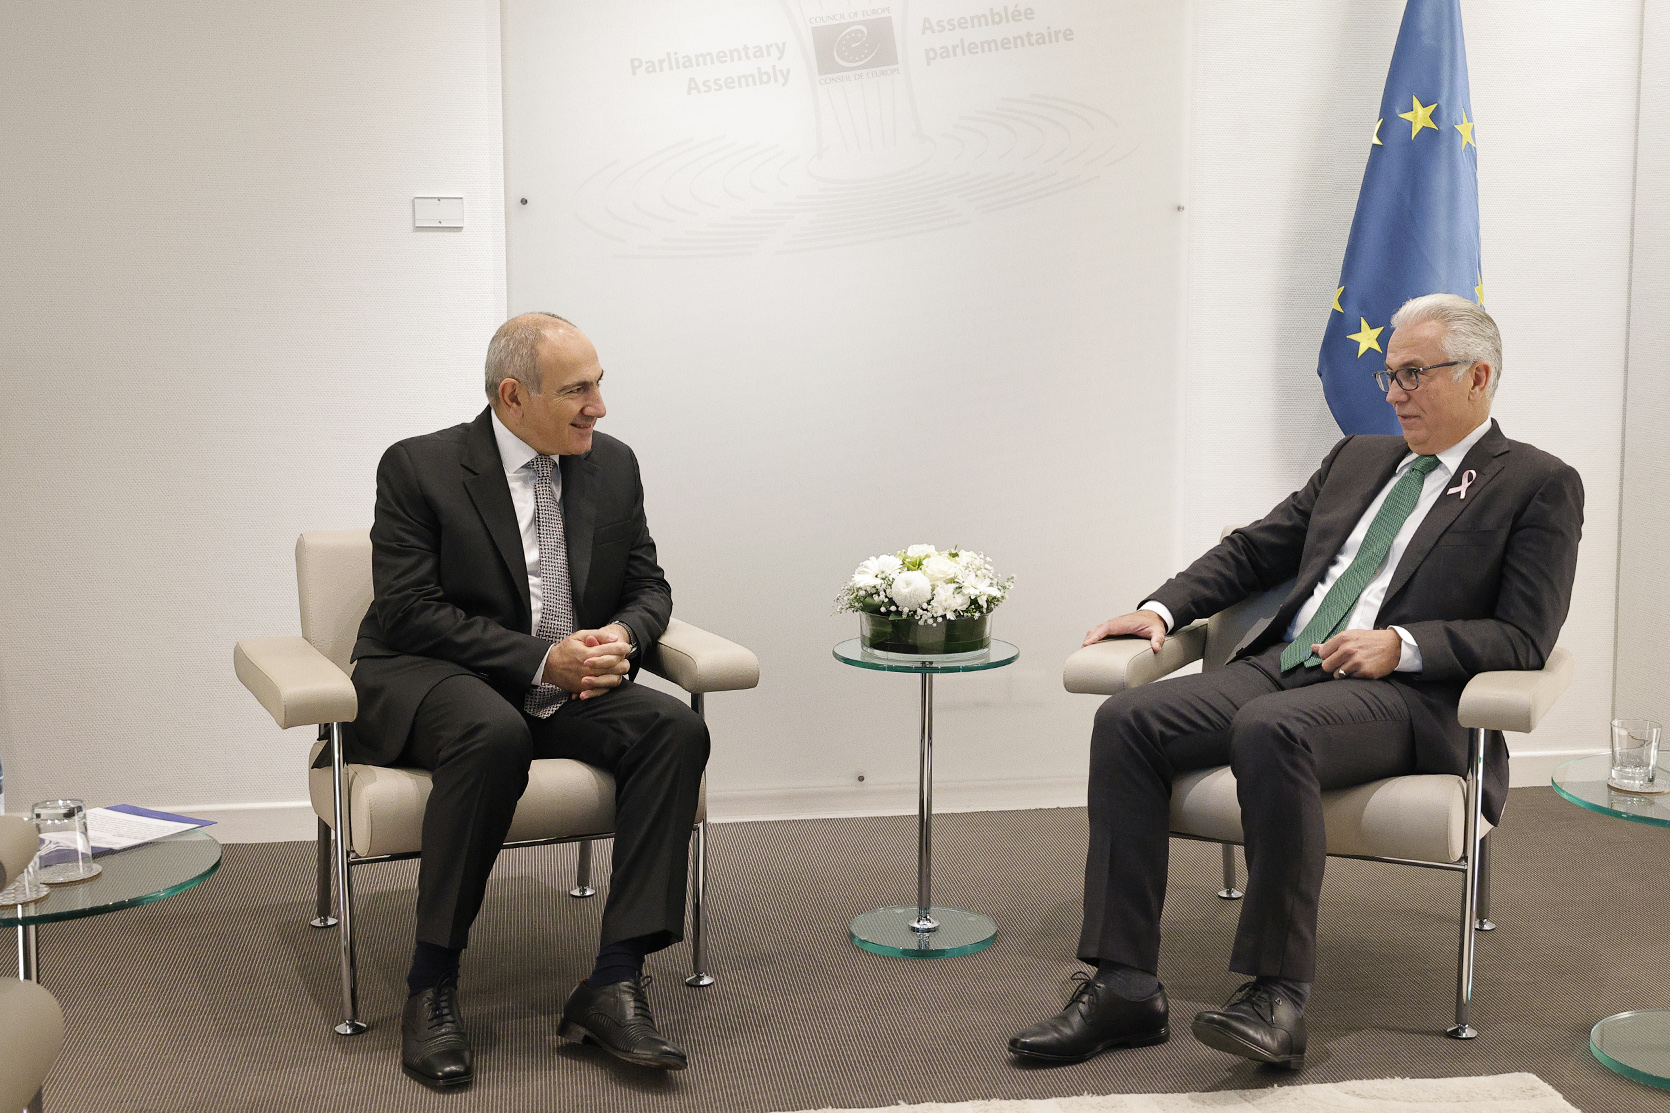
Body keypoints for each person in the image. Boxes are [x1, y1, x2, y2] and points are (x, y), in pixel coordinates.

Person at [1009, 293, 1583, 1069]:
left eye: (1414, 374)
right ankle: (1125, 986)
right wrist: (1159, 608)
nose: (1395, 393)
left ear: (1479, 376)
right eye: (1389, 375)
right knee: (1128, 719)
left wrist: (1402, 644)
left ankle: (1276, 996)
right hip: (1287, 663)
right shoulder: (1358, 459)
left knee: (1272, 730)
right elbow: (1254, 550)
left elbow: (1524, 634)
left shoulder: (1537, 483)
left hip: (1406, 697)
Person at [346, 313, 709, 1088]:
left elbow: (649, 584)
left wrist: (622, 635)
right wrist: (543, 657)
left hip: (564, 681)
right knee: (493, 732)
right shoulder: (419, 466)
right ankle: (431, 983)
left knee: (673, 728)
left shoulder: (612, 464)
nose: (598, 406)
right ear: (513, 396)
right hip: (440, 673)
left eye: (598, 384)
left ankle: (614, 980)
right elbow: (408, 611)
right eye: (577, 390)